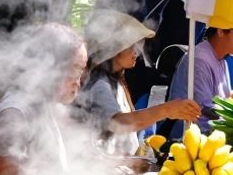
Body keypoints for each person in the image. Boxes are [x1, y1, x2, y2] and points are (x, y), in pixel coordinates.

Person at [0, 23, 89, 175]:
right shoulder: (16, 110)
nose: (78, 82)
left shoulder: (42, 105)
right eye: (75, 70)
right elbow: (4, 171)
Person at [75, 10, 200, 158]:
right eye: (130, 46)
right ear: (114, 49)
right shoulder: (100, 84)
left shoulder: (117, 81)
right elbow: (119, 123)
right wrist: (167, 110)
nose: (137, 52)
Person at [166, 6, 233, 133]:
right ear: (221, 30)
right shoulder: (199, 60)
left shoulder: (225, 59)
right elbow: (205, 112)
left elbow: (222, 102)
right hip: (190, 138)